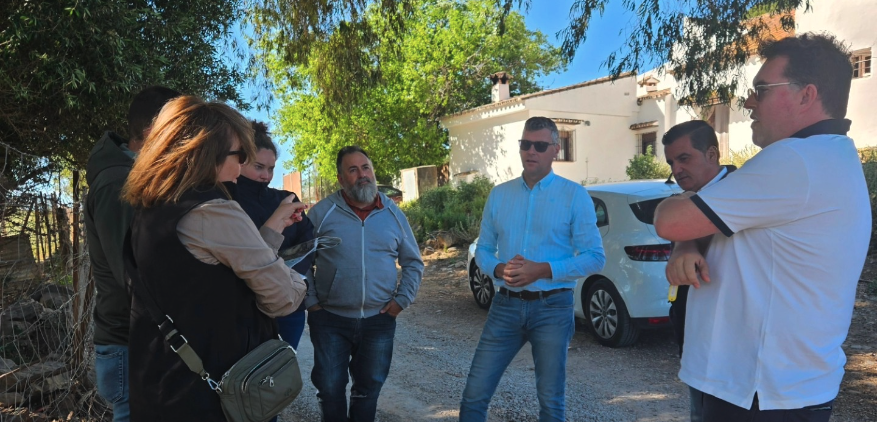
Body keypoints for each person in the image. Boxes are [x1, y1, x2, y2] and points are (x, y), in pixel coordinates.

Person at [654, 33, 871, 422]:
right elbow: (709, 232)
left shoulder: (795, 160)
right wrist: (685, 246)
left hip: (759, 394)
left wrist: (680, 228)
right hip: (772, 388)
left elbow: (669, 220)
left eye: (761, 90)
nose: (749, 102)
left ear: (807, 95)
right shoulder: (828, 156)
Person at [121, 96, 308, 421]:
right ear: (207, 152)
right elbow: (282, 299)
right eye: (241, 155)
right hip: (214, 394)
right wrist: (298, 281)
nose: (242, 165)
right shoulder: (215, 211)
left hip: (161, 385)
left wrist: (275, 222)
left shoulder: (152, 207)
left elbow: (213, 269)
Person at [459, 116, 605, 422]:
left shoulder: (574, 195)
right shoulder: (499, 195)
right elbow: (483, 249)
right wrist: (498, 270)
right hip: (505, 306)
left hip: (553, 308)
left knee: (551, 404)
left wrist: (544, 270)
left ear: (555, 149)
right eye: (525, 144)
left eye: (540, 145)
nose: (531, 151)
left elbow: (594, 257)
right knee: (474, 395)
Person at [304, 146, 423, 422]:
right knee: (330, 389)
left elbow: (413, 262)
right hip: (330, 320)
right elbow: (301, 263)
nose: (362, 175)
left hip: (378, 321)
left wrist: (400, 302)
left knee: (368, 391)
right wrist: (311, 302)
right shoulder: (322, 213)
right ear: (341, 178)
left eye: (365, 167)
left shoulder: (393, 213)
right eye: (353, 170)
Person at [84, 85, 180, 422]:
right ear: (155, 130)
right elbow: (133, 273)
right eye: (178, 131)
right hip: (128, 342)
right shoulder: (117, 184)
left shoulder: (136, 176)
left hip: (139, 338)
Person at [661, 119, 735, 422]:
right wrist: (685, 244)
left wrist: (685, 242)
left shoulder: (740, 190)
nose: (676, 169)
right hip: (695, 335)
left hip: (733, 341)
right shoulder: (687, 198)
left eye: (684, 158)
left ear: (712, 154)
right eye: (671, 162)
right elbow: (676, 213)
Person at [234, 120, 314, 349]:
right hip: (247, 308)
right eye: (259, 167)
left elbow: (308, 243)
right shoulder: (227, 201)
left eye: (271, 169)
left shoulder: (286, 198)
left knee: (281, 375)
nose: (266, 176)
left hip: (289, 307)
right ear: (240, 162)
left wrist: (288, 278)